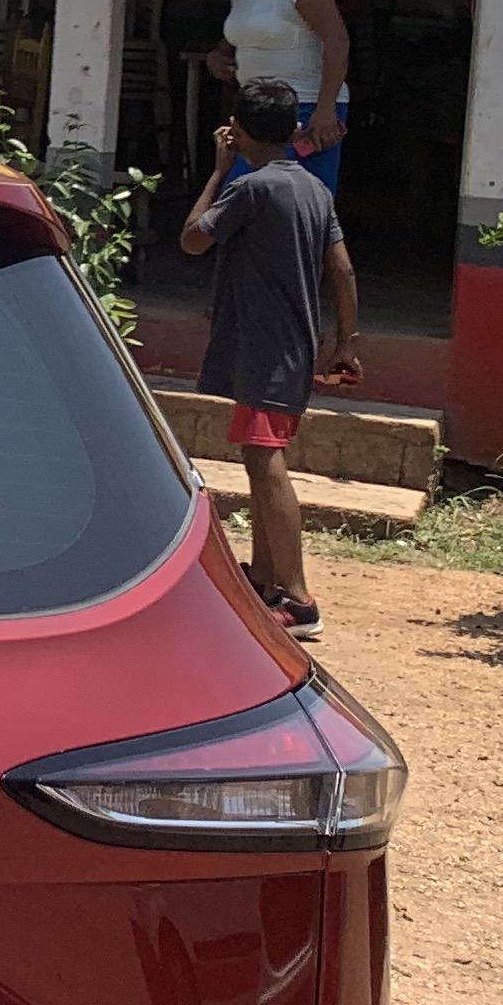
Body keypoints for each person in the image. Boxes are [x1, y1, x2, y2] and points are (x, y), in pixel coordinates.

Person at [179, 79, 359, 639]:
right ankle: (264, 579)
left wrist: (217, 170)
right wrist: (345, 343)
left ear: (238, 129)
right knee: (262, 460)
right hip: (295, 348)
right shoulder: (313, 191)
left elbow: (192, 239)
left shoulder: (250, 189)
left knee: (266, 463)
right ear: (293, 130)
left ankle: (301, 600)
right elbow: (343, 270)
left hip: (266, 351)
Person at [204, 0, 351, 189]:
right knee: (244, 195)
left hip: (304, 111)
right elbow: (241, 34)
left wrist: (325, 109)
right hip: (256, 111)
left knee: (298, 199)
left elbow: (337, 40)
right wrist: (218, 55)